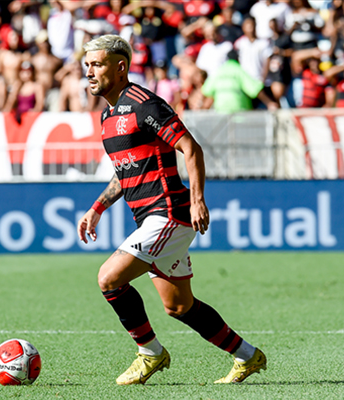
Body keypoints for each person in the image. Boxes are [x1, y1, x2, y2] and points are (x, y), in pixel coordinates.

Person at [77, 34, 266, 386]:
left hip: (168, 214)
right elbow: (125, 172)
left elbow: (190, 148)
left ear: (120, 67)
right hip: (151, 217)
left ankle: (150, 353)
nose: (89, 72)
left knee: (109, 279)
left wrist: (197, 199)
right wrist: (97, 208)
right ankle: (248, 355)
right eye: (86, 65)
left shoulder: (144, 104)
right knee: (179, 307)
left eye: (97, 64)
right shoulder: (107, 115)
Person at [201, 50, 278, 113]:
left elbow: (206, 90)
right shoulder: (238, 70)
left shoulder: (218, 72)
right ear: (238, 59)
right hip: (239, 112)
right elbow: (254, 89)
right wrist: (269, 102)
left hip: (221, 112)